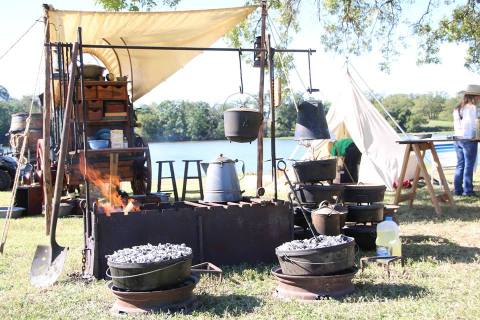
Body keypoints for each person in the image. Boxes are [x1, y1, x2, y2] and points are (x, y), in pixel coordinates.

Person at [453, 84, 480, 196]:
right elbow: (472, 125)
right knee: (468, 166)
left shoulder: (457, 108)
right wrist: (476, 135)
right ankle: (468, 191)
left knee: (460, 165)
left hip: (458, 139)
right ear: (474, 96)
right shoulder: (472, 108)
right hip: (469, 139)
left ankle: (457, 190)